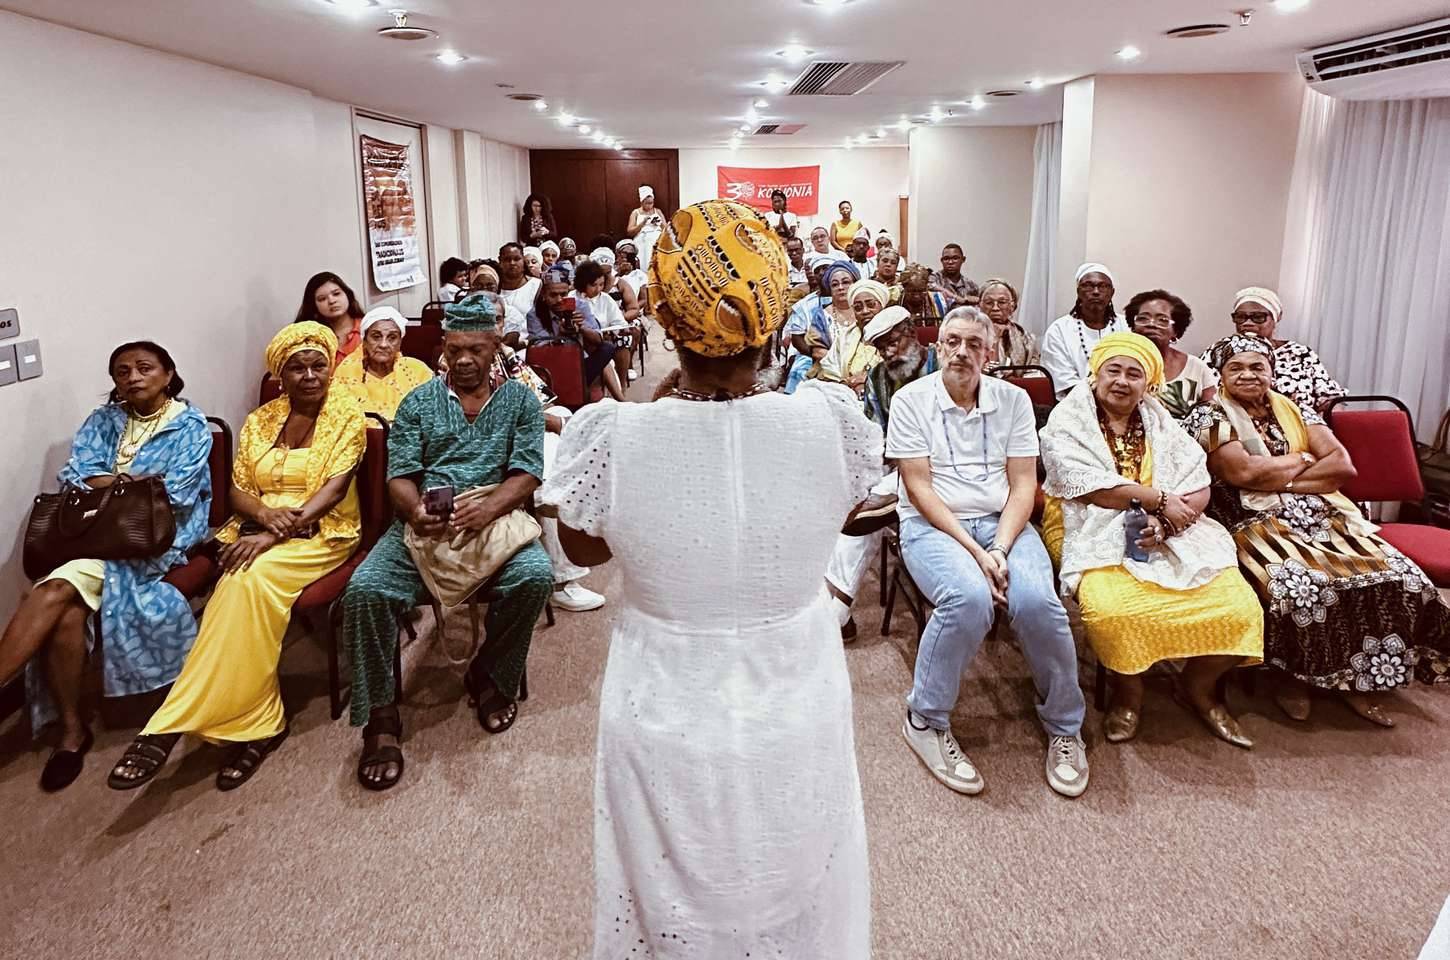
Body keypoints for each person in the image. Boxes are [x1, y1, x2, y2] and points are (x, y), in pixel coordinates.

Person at [540, 198, 878, 957]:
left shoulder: (614, 434)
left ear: (662, 318)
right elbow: (847, 509)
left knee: (665, 887)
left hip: (663, 692)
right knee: (803, 866)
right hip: (798, 683)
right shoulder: (830, 418)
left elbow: (585, 552)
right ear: (773, 323)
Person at [108, 323, 366, 790]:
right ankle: (261, 722)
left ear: (331, 367)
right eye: (296, 367)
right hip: (258, 529)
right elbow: (238, 491)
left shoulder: (347, 412)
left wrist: (272, 535)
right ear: (280, 375)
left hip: (323, 533)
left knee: (244, 577)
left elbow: (334, 489)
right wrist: (265, 517)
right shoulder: (262, 420)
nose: (309, 375)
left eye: (318, 364)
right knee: (240, 582)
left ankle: (171, 721)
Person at [343, 295, 554, 791]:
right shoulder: (417, 403)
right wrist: (415, 509)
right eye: (455, 349)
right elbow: (400, 475)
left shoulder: (520, 402)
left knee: (535, 577)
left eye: (476, 350)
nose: (464, 360)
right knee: (366, 590)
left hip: (494, 519)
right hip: (426, 525)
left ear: (494, 346)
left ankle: (489, 674)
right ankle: (379, 715)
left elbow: (527, 472)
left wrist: (490, 507)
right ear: (443, 347)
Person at [1185, 335, 1450, 726]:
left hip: (1323, 514)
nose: (1247, 375)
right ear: (1220, 376)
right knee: (1297, 587)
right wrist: (1304, 459)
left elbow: (1342, 468)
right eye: (1235, 367)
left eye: (1257, 366)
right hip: (1249, 520)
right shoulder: (1210, 416)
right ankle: (1293, 680)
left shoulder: (1297, 410)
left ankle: (1361, 682)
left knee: (1398, 575)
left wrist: (1283, 479)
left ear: (1272, 372)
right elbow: (1242, 473)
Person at [887, 307, 1088, 797]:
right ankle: (925, 717)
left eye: (974, 344)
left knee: (1040, 604)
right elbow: (919, 490)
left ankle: (1065, 726)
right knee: (969, 601)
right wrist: (978, 555)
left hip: (1004, 524)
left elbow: (1024, 485)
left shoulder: (1014, 401)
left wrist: (998, 545)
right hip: (935, 525)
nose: (961, 351)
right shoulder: (910, 400)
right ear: (939, 347)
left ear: (990, 352)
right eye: (952, 341)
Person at [0, 343, 211, 791]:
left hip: (155, 538)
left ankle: (72, 734)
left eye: (144, 368)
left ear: (169, 374)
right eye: (121, 371)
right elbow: (75, 474)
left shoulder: (192, 426)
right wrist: (131, 484)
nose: (133, 377)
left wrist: (111, 484)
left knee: (51, 591)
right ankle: (72, 732)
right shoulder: (102, 421)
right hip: (94, 537)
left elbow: (174, 495)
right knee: (67, 612)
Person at [1039, 332, 1263, 747]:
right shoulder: (1068, 418)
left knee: (1240, 608)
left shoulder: (1160, 421)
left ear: (1149, 384)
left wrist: (1168, 524)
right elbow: (1089, 487)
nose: (1122, 381)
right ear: (1096, 374)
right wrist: (1158, 499)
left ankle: (1197, 688)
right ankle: (1130, 695)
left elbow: (1199, 485)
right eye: (1114, 371)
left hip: (1170, 525)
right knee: (1114, 612)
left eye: (1134, 374)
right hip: (1090, 519)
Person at [826, 305, 937, 640]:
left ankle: (837, 612)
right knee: (856, 510)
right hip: (898, 466)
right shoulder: (876, 377)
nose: (888, 351)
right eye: (880, 346)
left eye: (893, 342)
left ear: (912, 333)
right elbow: (876, 434)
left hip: (950, 469)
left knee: (866, 515)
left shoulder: (943, 364)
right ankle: (837, 610)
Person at [487, 336, 606, 615]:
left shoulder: (506, 355)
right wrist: (544, 421)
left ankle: (552, 495)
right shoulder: (459, 361)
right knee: (553, 452)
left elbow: (539, 398)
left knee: (560, 423)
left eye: (500, 319)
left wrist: (545, 419)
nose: (495, 328)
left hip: (523, 431)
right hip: (490, 443)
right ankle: (562, 582)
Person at [1200, 286, 1346, 412]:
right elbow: (1199, 396)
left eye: (1258, 317)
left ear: (1276, 317)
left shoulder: (1300, 354)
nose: (1248, 323)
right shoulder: (1219, 351)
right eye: (1240, 317)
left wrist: (1324, 426)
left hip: (1301, 429)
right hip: (1237, 430)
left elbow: (1332, 401)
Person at [529, 267, 625, 401]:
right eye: (553, 295)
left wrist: (582, 328)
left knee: (607, 348)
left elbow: (598, 339)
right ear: (544, 295)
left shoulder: (580, 306)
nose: (559, 300)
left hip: (579, 360)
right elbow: (540, 348)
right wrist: (561, 337)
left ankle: (580, 387)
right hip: (553, 363)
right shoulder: (535, 315)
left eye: (563, 294)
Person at [1040, 262, 1130, 400]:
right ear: (1078, 291)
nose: (1095, 291)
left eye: (1103, 286)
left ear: (1112, 292)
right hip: (1075, 404)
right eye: (1088, 285)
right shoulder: (1059, 330)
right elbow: (1063, 381)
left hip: (1123, 402)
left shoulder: (1127, 326)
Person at [1125, 289, 1216, 418]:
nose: (1152, 324)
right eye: (1143, 318)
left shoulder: (1196, 367)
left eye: (1162, 320)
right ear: (1133, 327)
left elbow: (1213, 417)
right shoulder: (1117, 362)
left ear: (1176, 331)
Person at [332, 305, 434, 420]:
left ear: (400, 342)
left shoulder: (418, 371)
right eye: (376, 337)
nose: (383, 344)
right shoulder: (346, 372)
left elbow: (432, 417)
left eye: (392, 337)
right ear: (364, 341)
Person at [786, 261, 857, 394]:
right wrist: (842, 377)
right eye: (835, 284)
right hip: (829, 369)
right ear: (830, 289)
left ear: (855, 283)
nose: (840, 287)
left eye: (846, 282)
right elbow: (818, 352)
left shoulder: (864, 311)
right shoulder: (822, 316)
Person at [809, 277, 885, 394]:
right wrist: (846, 385)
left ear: (882, 306)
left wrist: (868, 379)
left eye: (871, 305)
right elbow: (830, 368)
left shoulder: (894, 336)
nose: (865, 311)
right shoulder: (845, 337)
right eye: (858, 308)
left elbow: (898, 371)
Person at [575, 258, 636, 388]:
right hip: (582, 341)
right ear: (583, 283)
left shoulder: (605, 299)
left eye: (601, 285)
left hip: (606, 338)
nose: (598, 289)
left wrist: (619, 329)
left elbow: (619, 321)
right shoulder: (573, 298)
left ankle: (622, 382)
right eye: (594, 285)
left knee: (622, 341)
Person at [294, 271, 367, 362]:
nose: (331, 301)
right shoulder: (308, 337)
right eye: (322, 299)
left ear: (347, 295)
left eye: (336, 294)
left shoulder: (368, 327)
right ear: (314, 306)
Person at [979, 278, 1039, 370]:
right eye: (989, 303)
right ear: (980, 305)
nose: (995, 308)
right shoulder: (968, 334)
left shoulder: (1026, 339)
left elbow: (1034, 375)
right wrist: (995, 339)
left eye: (1001, 302)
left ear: (1012, 306)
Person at [497, 242, 542, 327]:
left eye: (517, 259)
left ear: (523, 260)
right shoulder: (493, 287)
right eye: (507, 259)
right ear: (500, 261)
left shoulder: (536, 285)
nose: (512, 263)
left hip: (529, 338)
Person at [626, 185, 666, 273]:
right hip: (642, 243)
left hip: (656, 242)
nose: (649, 206)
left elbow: (666, 229)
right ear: (641, 202)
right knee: (643, 266)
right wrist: (643, 223)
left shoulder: (658, 211)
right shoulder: (635, 213)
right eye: (647, 203)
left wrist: (659, 223)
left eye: (651, 203)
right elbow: (629, 232)